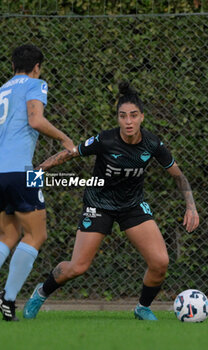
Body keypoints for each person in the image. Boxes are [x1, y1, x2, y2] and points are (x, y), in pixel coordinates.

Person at [23, 81, 199, 321]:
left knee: (160, 263)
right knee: (78, 267)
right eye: (123, 116)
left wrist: (191, 206)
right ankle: (40, 293)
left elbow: (179, 175)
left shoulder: (153, 144)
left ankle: (142, 308)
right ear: (117, 118)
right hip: (98, 205)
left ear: (142, 118)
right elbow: (70, 153)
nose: (128, 121)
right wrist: (39, 170)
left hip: (132, 206)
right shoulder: (105, 140)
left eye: (133, 116)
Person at [0, 44, 76, 322]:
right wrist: (65, 139)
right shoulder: (35, 83)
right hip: (22, 171)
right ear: (36, 67)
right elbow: (35, 119)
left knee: (7, 236)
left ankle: (6, 300)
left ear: (12, 67)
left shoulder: (2, 90)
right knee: (37, 235)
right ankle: (7, 299)